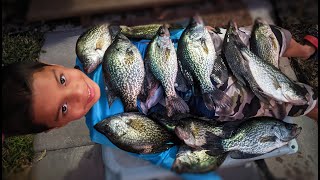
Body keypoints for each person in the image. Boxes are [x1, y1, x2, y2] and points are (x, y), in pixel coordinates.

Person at [2, 22, 318, 179]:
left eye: (61, 80)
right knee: (299, 100)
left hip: (213, 51)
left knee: (272, 36)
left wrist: (189, 35)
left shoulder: (93, 49)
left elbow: (148, 35)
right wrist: (204, 172)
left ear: (52, 66)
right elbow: (162, 153)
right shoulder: (106, 127)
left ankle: (305, 50)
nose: (77, 92)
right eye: (63, 108)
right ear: (56, 127)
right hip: (223, 103)